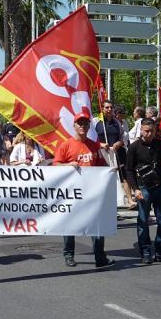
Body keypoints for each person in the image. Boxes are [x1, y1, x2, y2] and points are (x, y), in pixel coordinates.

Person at [53, 112, 115, 268]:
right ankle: (69, 255)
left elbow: (101, 165)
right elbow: (55, 166)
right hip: (72, 193)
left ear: (89, 126)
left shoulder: (94, 145)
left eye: (85, 123)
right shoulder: (66, 145)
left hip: (91, 193)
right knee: (70, 225)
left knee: (97, 226)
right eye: (79, 123)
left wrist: (110, 171)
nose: (82, 126)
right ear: (74, 126)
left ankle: (100, 258)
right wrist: (68, 165)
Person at [126, 118, 161, 264]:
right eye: (146, 131)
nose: (149, 133)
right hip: (143, 189)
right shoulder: (134, 147)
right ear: (141, 130)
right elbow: (128, 170)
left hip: (159, 188)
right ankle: (145, 251)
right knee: (143, 221)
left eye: (152, 131)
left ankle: (160, 251)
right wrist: (135, 189)